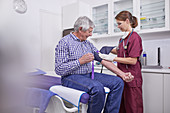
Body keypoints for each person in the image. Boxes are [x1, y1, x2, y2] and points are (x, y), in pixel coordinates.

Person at [55, 16, 134, 113]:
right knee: (97, 88)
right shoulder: (64, 42)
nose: (91, 34)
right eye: (89, 31)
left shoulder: (88, 44)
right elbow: (59, 69)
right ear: (80, 29)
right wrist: (80, 61)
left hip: (88, 75)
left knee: (118, 82)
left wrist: (122, 74)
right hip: (70, 77)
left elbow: (102, 59)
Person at [99, 11, 143, 113]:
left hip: (132, 78)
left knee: (133, 107)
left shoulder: (135, 37)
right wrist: (107, 49)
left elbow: (132, 60)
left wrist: (111, 58)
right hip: (121, 77)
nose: (118, 26)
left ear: (127, 21)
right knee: (121, 107)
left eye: (119, 23)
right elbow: (120, 51)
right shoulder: (122, 39)